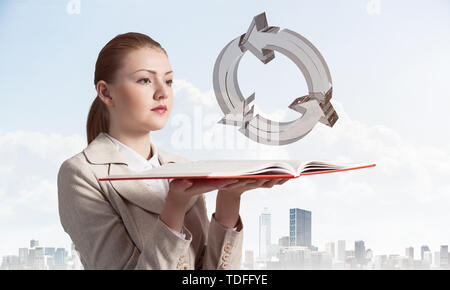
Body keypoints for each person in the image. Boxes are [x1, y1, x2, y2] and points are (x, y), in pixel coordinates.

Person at [57, 32, 290, 270]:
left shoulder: (181, 166)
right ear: (106, 92)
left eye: (168, 81)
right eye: (145, 80)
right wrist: (175, 204)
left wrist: (229, 198)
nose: (163, 93)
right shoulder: (81, 174)